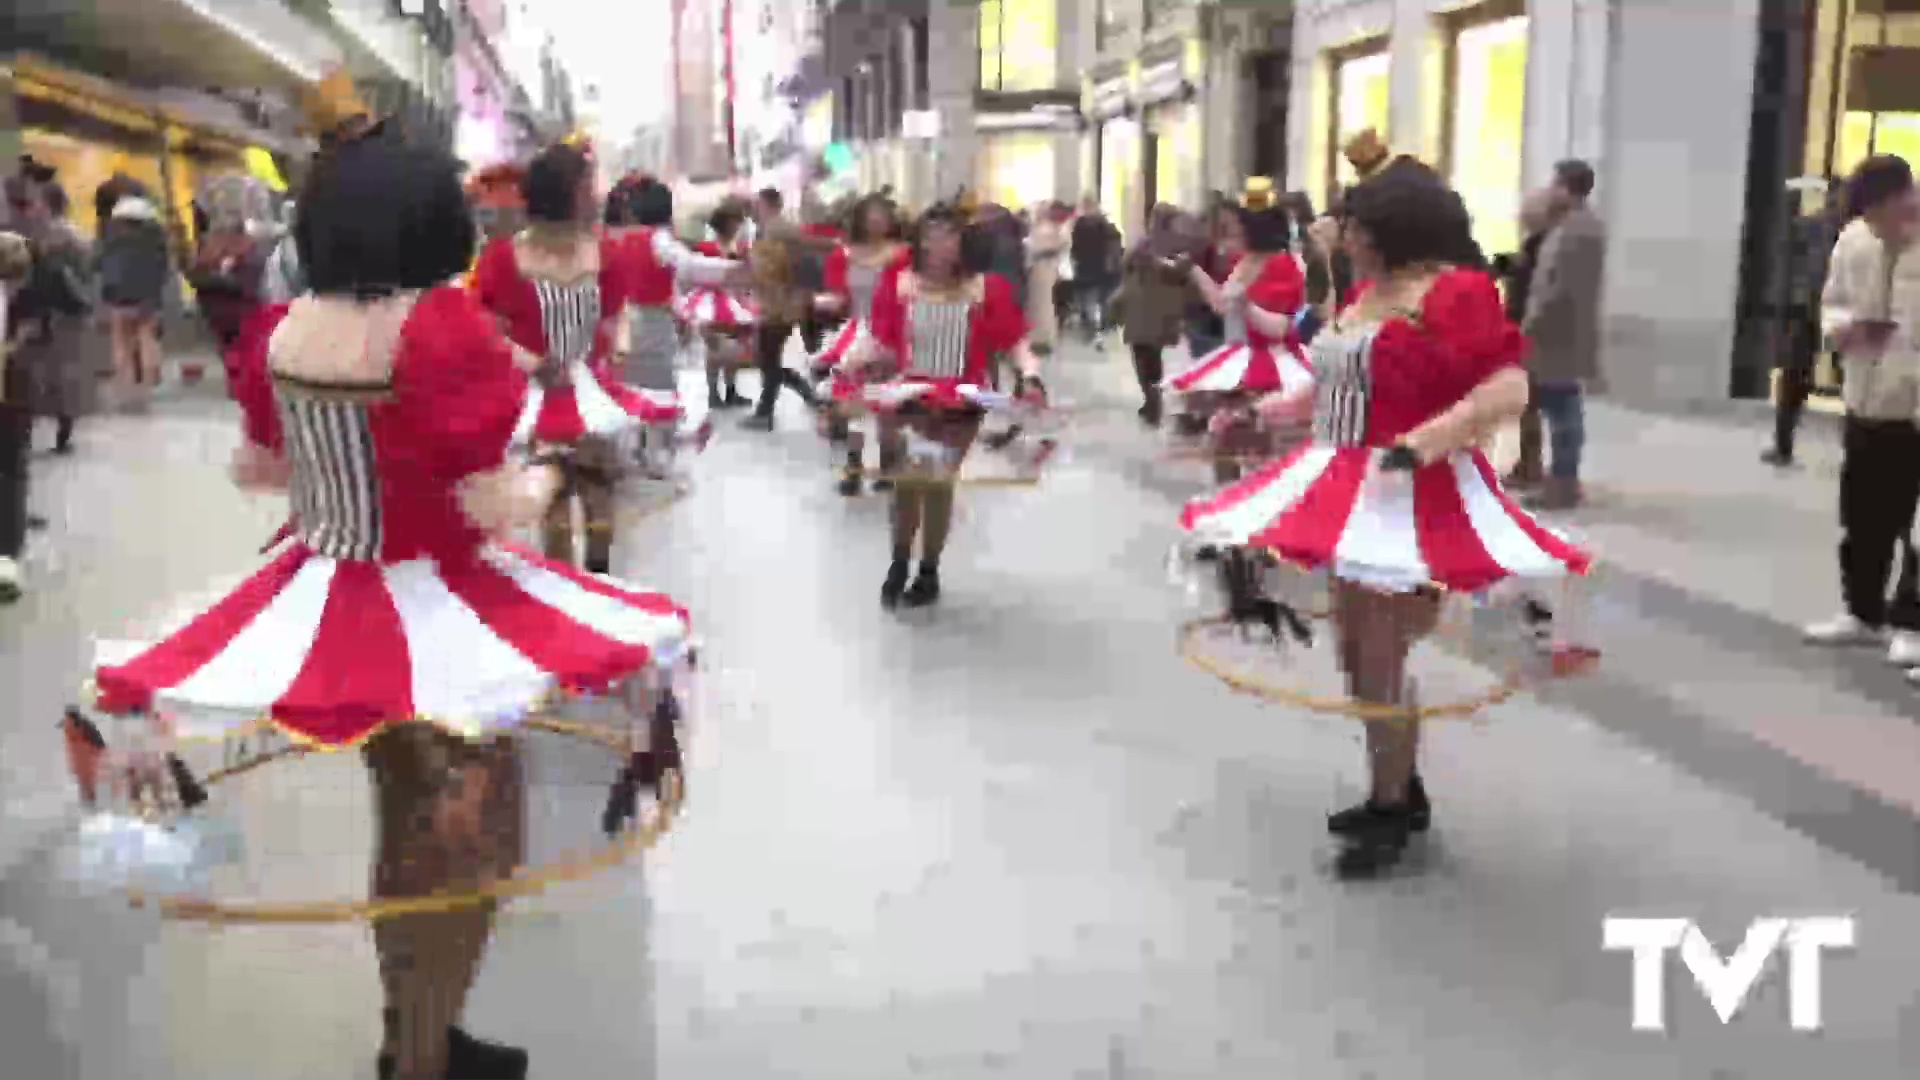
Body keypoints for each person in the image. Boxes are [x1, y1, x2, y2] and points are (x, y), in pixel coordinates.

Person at [76, 100, 693, 1080]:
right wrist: (544, 477)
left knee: (403, 815)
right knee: (466, 830)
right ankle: (420, 1053)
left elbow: (267, 467)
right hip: (439, 598)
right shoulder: (440, 327)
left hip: (323, 585)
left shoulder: (282, 330)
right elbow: (487, 497)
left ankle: (415, 1035)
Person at [1179, 160, 1590, 878]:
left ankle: (1394, 803)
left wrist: (1422, 444)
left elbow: (1507, 384)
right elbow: (1332, 383)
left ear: (1394, 229)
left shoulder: (1455, 291)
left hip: (1410, 492)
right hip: (1344, 480)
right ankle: (1394, 790)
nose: (1346, 239)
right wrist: (1261, 415)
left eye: (1358, 227)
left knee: (1380, 653)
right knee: (1357, 651)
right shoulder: (1368, 292)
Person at [472, 140, 648, 575]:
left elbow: (619, 309)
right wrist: (528, 361)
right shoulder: (502, 259)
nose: (596, 195)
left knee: (599, 497)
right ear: (561, 193)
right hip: (534, 396)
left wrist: (621, 341)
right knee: (550, 503)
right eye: (587, 187)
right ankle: (565, 587)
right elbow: (479, 325)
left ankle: (599, 580)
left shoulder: (605, 252)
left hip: (591, 390)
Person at [861, 204, 1046, 608]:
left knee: (937, 481)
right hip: (908, 395)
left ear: (963, 241)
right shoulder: (899, 282)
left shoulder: (986, 288)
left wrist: (1030, 375)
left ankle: (927, 571)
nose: (940, 243)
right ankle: (899, 562)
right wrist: (845, 368)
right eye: (932, 234)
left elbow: (1015, 341)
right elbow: (879, 339)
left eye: (949, 234)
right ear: (920, 240)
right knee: (907, 486)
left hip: (961, 401)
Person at [1803, 154, 1920, 670]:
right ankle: (1863, 612)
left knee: (1914, 526)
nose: (1875, 224)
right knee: (1863, 515)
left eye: (1881, 212)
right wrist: (1845, 328)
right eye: (1867, 215)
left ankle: (1911, 623)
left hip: (1914, 405)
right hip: (1865, 397)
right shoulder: (1854, 239)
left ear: (1905, 196)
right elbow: (1832, 302)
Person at [1168, 178, 1315, 485]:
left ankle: (1254, 511)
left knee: (1256, 449)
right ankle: (1232, 505)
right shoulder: (1243, 260)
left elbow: (1283, 327)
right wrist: (1193, 271)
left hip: (1272, 365)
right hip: (1237, 359)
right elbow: (1223, 305)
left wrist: (1247, 306)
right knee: (1225, 444)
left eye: (1236, 223)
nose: (1231, 230)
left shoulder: (1282, 264)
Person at [605, 175, 738, 470]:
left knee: (627, 387)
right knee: (659, 389)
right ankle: (656, 457)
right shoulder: (656, 238)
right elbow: (690, 267)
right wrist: (736, 269)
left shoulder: (610, 238)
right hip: (652, 324)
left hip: (619, 323)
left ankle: (632, 453)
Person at [1519, 159, 1607, 511]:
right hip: (1556, 333)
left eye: (1555, 183)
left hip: (1558, 335)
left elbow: (1560, 288)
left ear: (1566, 187)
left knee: (1563, 411)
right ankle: (1558, 477)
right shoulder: (1571, 225)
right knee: (1558, 408)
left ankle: (1564, 482)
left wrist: (1532, 323)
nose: (1550, 190)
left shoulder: (1579, 230)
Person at [811, 193, 909, 495]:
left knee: (886, 405)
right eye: (871, 213)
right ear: (860, 218)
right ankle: (852, 469)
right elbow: (841, 298)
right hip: (856, 331)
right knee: (849, 403)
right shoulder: (844, 255)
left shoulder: (904, 253)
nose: (877, 219)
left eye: (883, 213)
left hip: (893, 331)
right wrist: (818, 302)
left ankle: (889, 466)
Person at [12, 177, 96, 455]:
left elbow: (38, 276)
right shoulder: (73, 234)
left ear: (47, 205)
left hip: (53, 314)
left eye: (37, 201)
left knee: (46, 374)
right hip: (66, 313)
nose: (33, 207)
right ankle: (61, 432)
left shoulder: (53, 235)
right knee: (59, 374)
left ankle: (46, 433)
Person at [1765, 179, 1844, 467]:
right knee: (1794, 378)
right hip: (1807, 311)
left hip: (1843, 314)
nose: (1839, 205)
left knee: (1853, 381)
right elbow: (1790, 268)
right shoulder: (1808, 228)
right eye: (1836, 198)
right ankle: (1782, 444)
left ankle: (1860, 453)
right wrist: (1786, 305)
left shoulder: (1862, 235)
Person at [742, 187, 826, 430]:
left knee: (766, 356)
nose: (754, 209)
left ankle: (766, 411)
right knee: (765, 356)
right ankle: (800, 391)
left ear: (770, 204)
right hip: (773, 303)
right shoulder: (767, 229)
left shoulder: (780, 228)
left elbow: (806, 258)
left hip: (782, 304)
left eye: (758, 204)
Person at [1112, 203, 1193, 427]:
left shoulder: (1178, 244)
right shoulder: (1144, 243)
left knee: (1147, 355)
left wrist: (1154, 262)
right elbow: (1126, 265)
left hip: (1157, 307)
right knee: (1144, 353)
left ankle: (1152, 398)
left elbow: (1182, 270)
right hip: (1142, 304)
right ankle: (1151, 397)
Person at [1496, 190, 1556, 487]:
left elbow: (1533, 281)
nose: (1522, 215)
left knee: (1531, 403)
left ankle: (1532, 465)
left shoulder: (1544, 243)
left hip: (1530, 330)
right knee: (1526, 403)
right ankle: (1528, 461)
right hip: (1522, 325)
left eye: (1528, 211)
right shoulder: (1536, 242)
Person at [95, 191, 172, 403]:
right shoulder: (155, 237)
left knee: (121, 342)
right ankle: (147, 386)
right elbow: (163, 268)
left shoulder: (111, 238)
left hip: (118, 297)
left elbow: (98, 264)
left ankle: (124, 387)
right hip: (147, 297)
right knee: (147, 339)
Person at [681, 203, 755, 408]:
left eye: (739, 222)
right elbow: (694, 274)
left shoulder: (739, 249)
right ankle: (714, 393)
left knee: (735, 347)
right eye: (735, 222)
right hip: (709, 302)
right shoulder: (707, 248)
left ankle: (730, 391)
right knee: (716, 348)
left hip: (732, 301)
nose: (737, 226)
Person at [0, 229, 32, 603]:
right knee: (11, 475)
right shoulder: (27, 305)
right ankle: (7, 556)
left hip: (13, 398)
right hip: (12, 399)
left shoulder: (24, 305)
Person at [1069, 195, 1120, 346]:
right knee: (1102, 297)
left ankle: (1092, 324)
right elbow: (1114, 244)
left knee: (1087, 297)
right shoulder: (1105, 224)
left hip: (1085, 265)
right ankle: (1102, 323)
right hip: (1102, 266)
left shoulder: (1079, 224)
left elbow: (1075, 247)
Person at [1024, 201, 1068, 356]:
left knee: (1042, 305)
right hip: (1046, 268)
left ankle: (1041, 338)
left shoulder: (1044, 229)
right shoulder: (1054, 229)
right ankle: (1044, 337)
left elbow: (1035, 247)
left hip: (1041, 269)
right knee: (1044, 304)